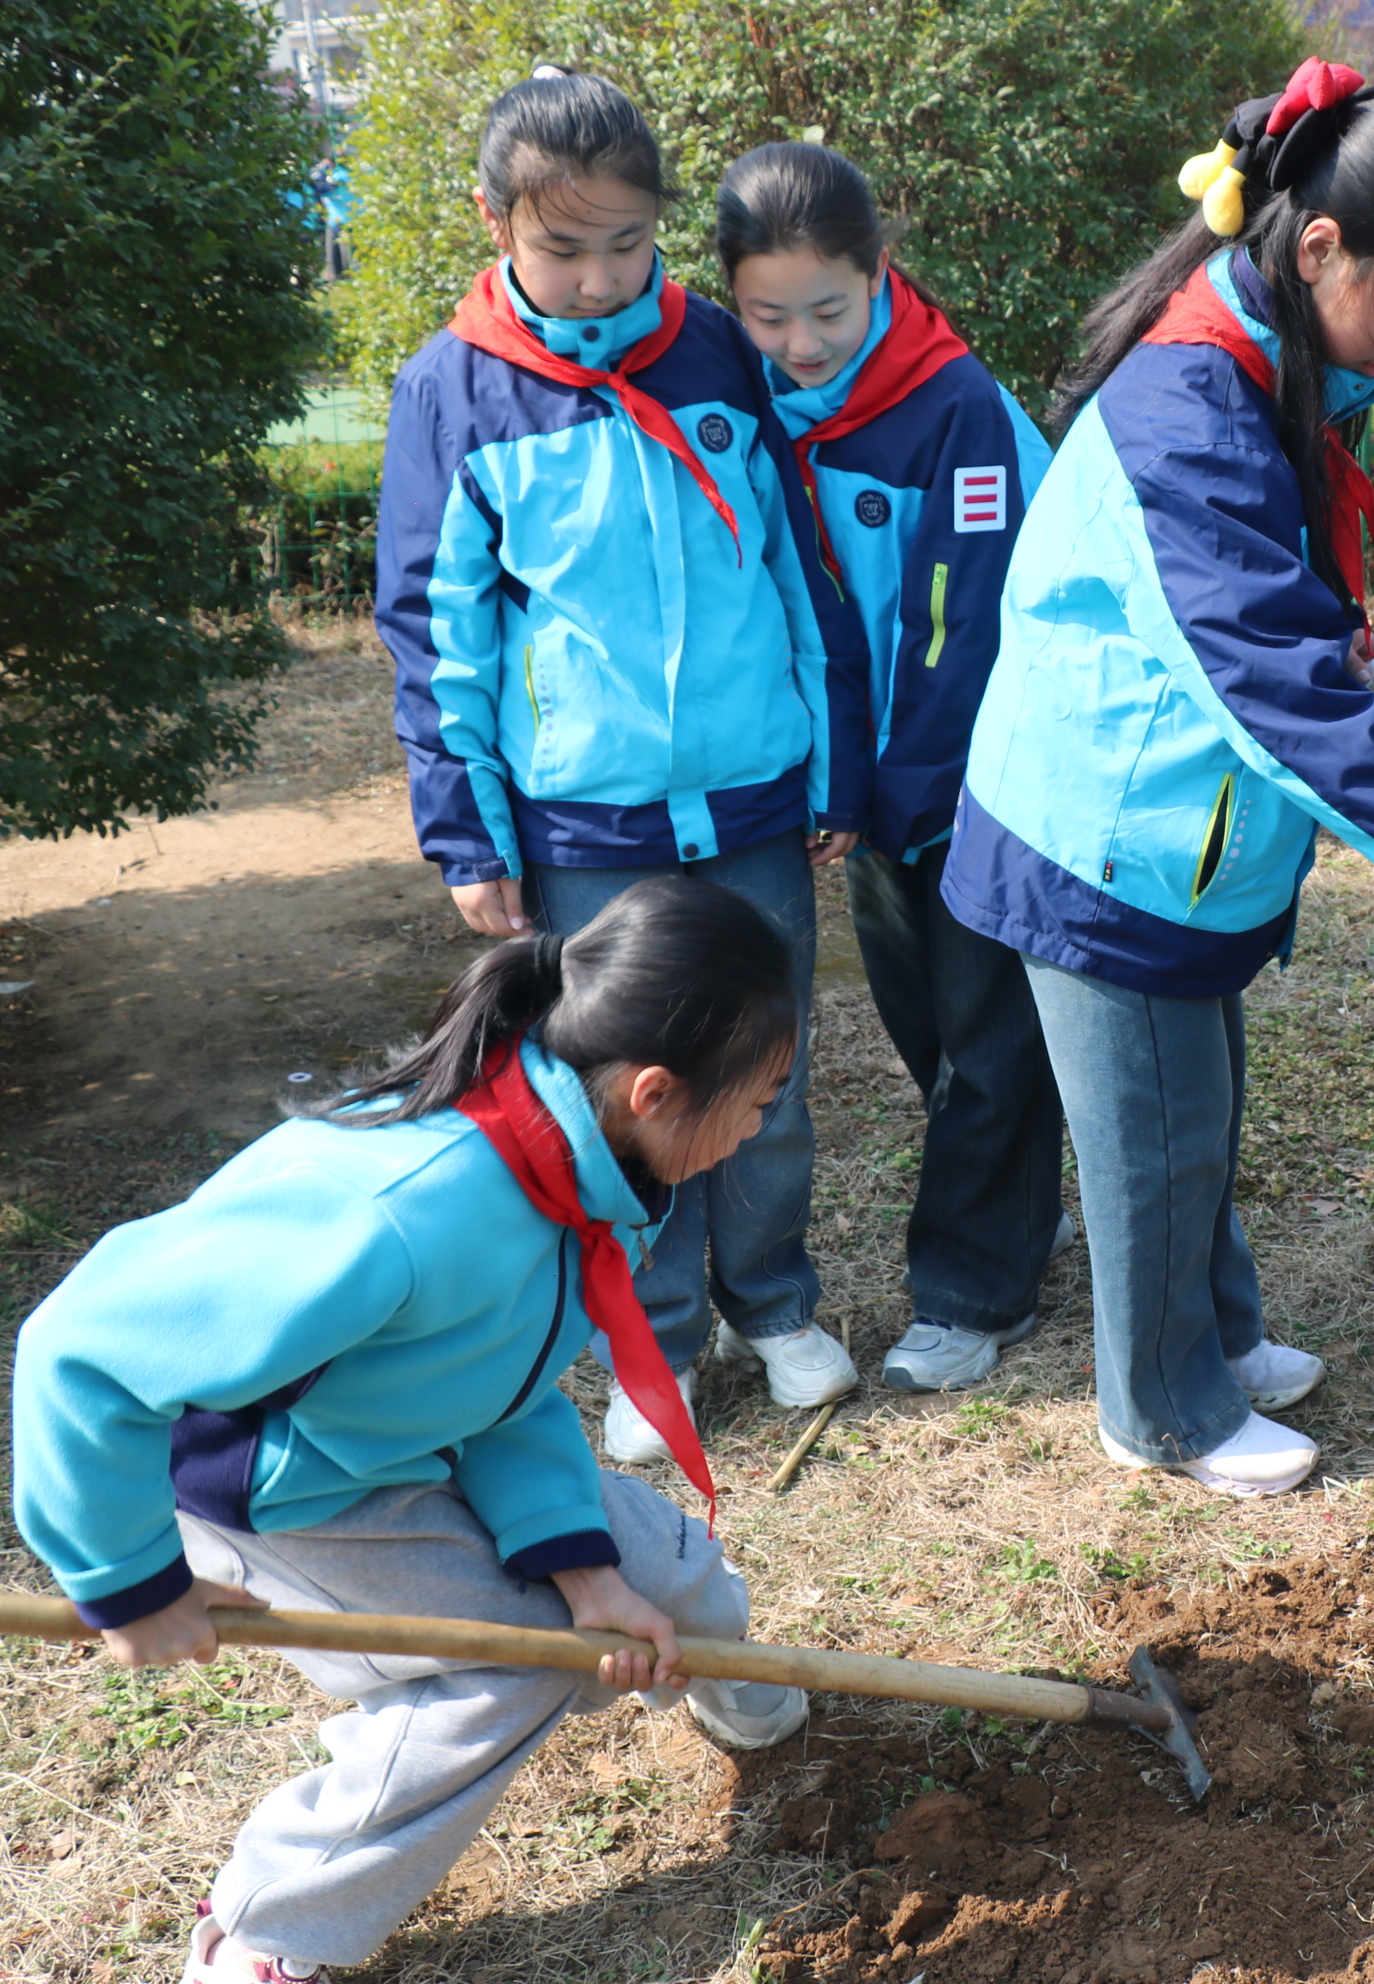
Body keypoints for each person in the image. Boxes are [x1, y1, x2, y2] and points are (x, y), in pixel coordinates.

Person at [941, 60, 1374, 1497]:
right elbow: (1269, 684)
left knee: (1192, 1109)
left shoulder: (1271, 357)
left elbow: (1274, 616)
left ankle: (1215, 1337)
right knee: (1152, 1140)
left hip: (1177, 827)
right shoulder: (1191, 405)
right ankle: (1161, 1407)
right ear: (1319, 249)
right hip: (1108, 836)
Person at [11, 879, 814, 1984]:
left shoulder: (578, 1162)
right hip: (290, 1489)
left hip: (423, 1432)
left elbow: (503, 1382)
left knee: (676, 1573)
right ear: (656, 1091)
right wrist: (128, 1582)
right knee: (504, 1673)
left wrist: (583, 1567)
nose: (762, 1123)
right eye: (760, 1098)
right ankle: (267, 1935)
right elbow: (78, 1352)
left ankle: (763, 1714)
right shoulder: (394, 1207)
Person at [378, 70, 870, 1462]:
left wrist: (832, 769)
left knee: (766, 1068)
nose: (597, 280)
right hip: (585, 824)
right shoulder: (452, 391)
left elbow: (797, 565)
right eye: (561, 248)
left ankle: (773, 1301)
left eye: (626, 245)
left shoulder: (721, 351)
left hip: (757, 800)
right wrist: (468, 836)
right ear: (493, 221)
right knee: (623, 1086)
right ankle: (651, 1331)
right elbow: (433, 633)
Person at [713, 142, 1072, 1396]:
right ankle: (1021, 1198)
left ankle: (976, 1288)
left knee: (984, 1032)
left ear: (881, 274)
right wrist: (848, 787)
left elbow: (965, 625)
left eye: (828, 310)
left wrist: (899, 787)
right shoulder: (751, 398)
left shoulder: (953, 406)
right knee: (926, 1019)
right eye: (768, 315)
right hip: (866, 786)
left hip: (976, 773)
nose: (801, 343)